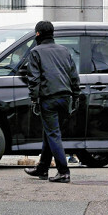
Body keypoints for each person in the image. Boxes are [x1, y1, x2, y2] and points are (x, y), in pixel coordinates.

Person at [24, 21, 80, 183]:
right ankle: (42, 168)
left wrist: (34, 98)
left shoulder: (36, 52)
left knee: (53, 134)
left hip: (48, 98)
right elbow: (73, 75)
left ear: (38, 34)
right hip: (66, 98)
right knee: (50, 133)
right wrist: (76, 96)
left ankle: (63, 171)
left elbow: (34, 79)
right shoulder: (64, 50)